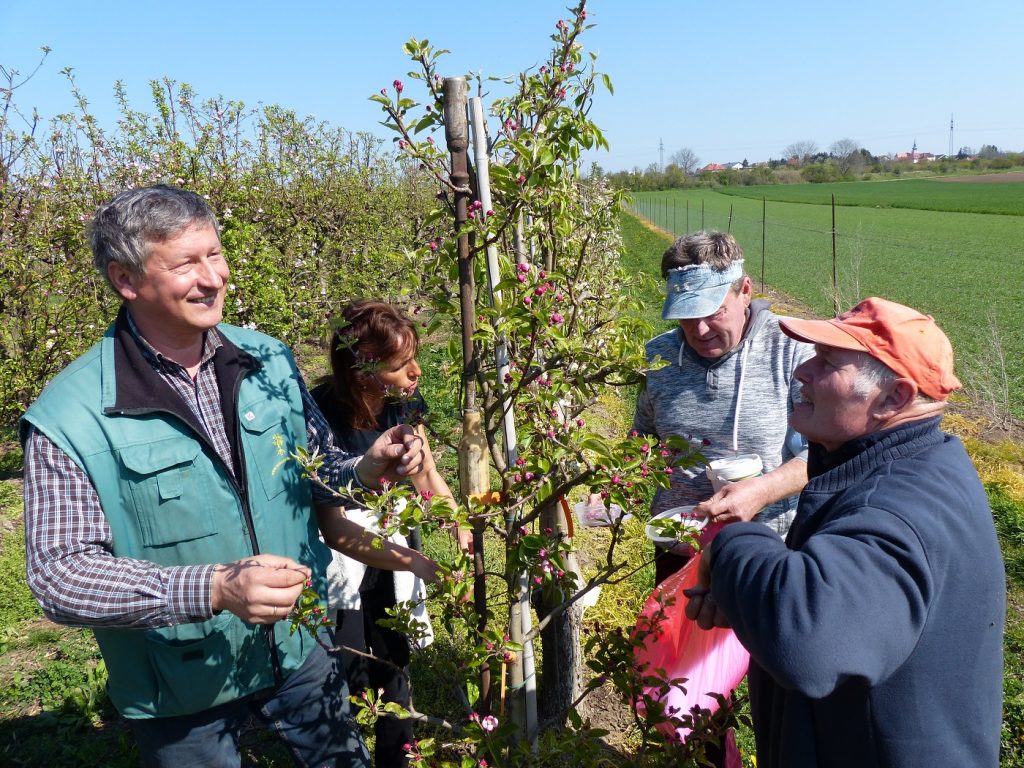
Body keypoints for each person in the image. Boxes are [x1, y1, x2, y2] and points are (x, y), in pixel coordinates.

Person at [20, 184, 430, 768]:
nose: (213, 277)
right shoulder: (72, 416)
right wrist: (214, 588)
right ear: (125, 280)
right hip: (180, 679)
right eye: (186, 262)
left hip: (301, 644)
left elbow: (312, 473)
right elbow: (60, 576)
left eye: (214, 254)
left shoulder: (269, 362)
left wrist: (365, 467)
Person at [685, 297, 1006, 768]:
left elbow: (808, 641)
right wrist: (753, 601)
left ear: (894, 397)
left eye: (827, 363)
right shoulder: (921, 462)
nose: (802, 373)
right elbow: (848, 613)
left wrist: (733, 544)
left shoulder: (892, 507)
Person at [311, 300, 467, 768]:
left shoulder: (402, 402)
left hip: (393, 536)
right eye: (400, 365)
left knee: (395, 659)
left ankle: (397, 758)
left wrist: (455, 521)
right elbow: (333, 528)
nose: (416, 371)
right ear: (364, 373)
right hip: (343, 556)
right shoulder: (323, 414)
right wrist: (415, 561)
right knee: (347, 666)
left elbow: (425, 471)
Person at [633, 230, 813, 583]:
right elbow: (643, 435)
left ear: (745, 291)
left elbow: (822, 455)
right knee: (675, 637)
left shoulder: (791, 350)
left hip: (764, 553)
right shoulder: (659, 355)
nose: (698, 330)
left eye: (713, 312)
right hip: (679, 547)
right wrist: (610, 486)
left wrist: (760, 491)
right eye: (686, 316)